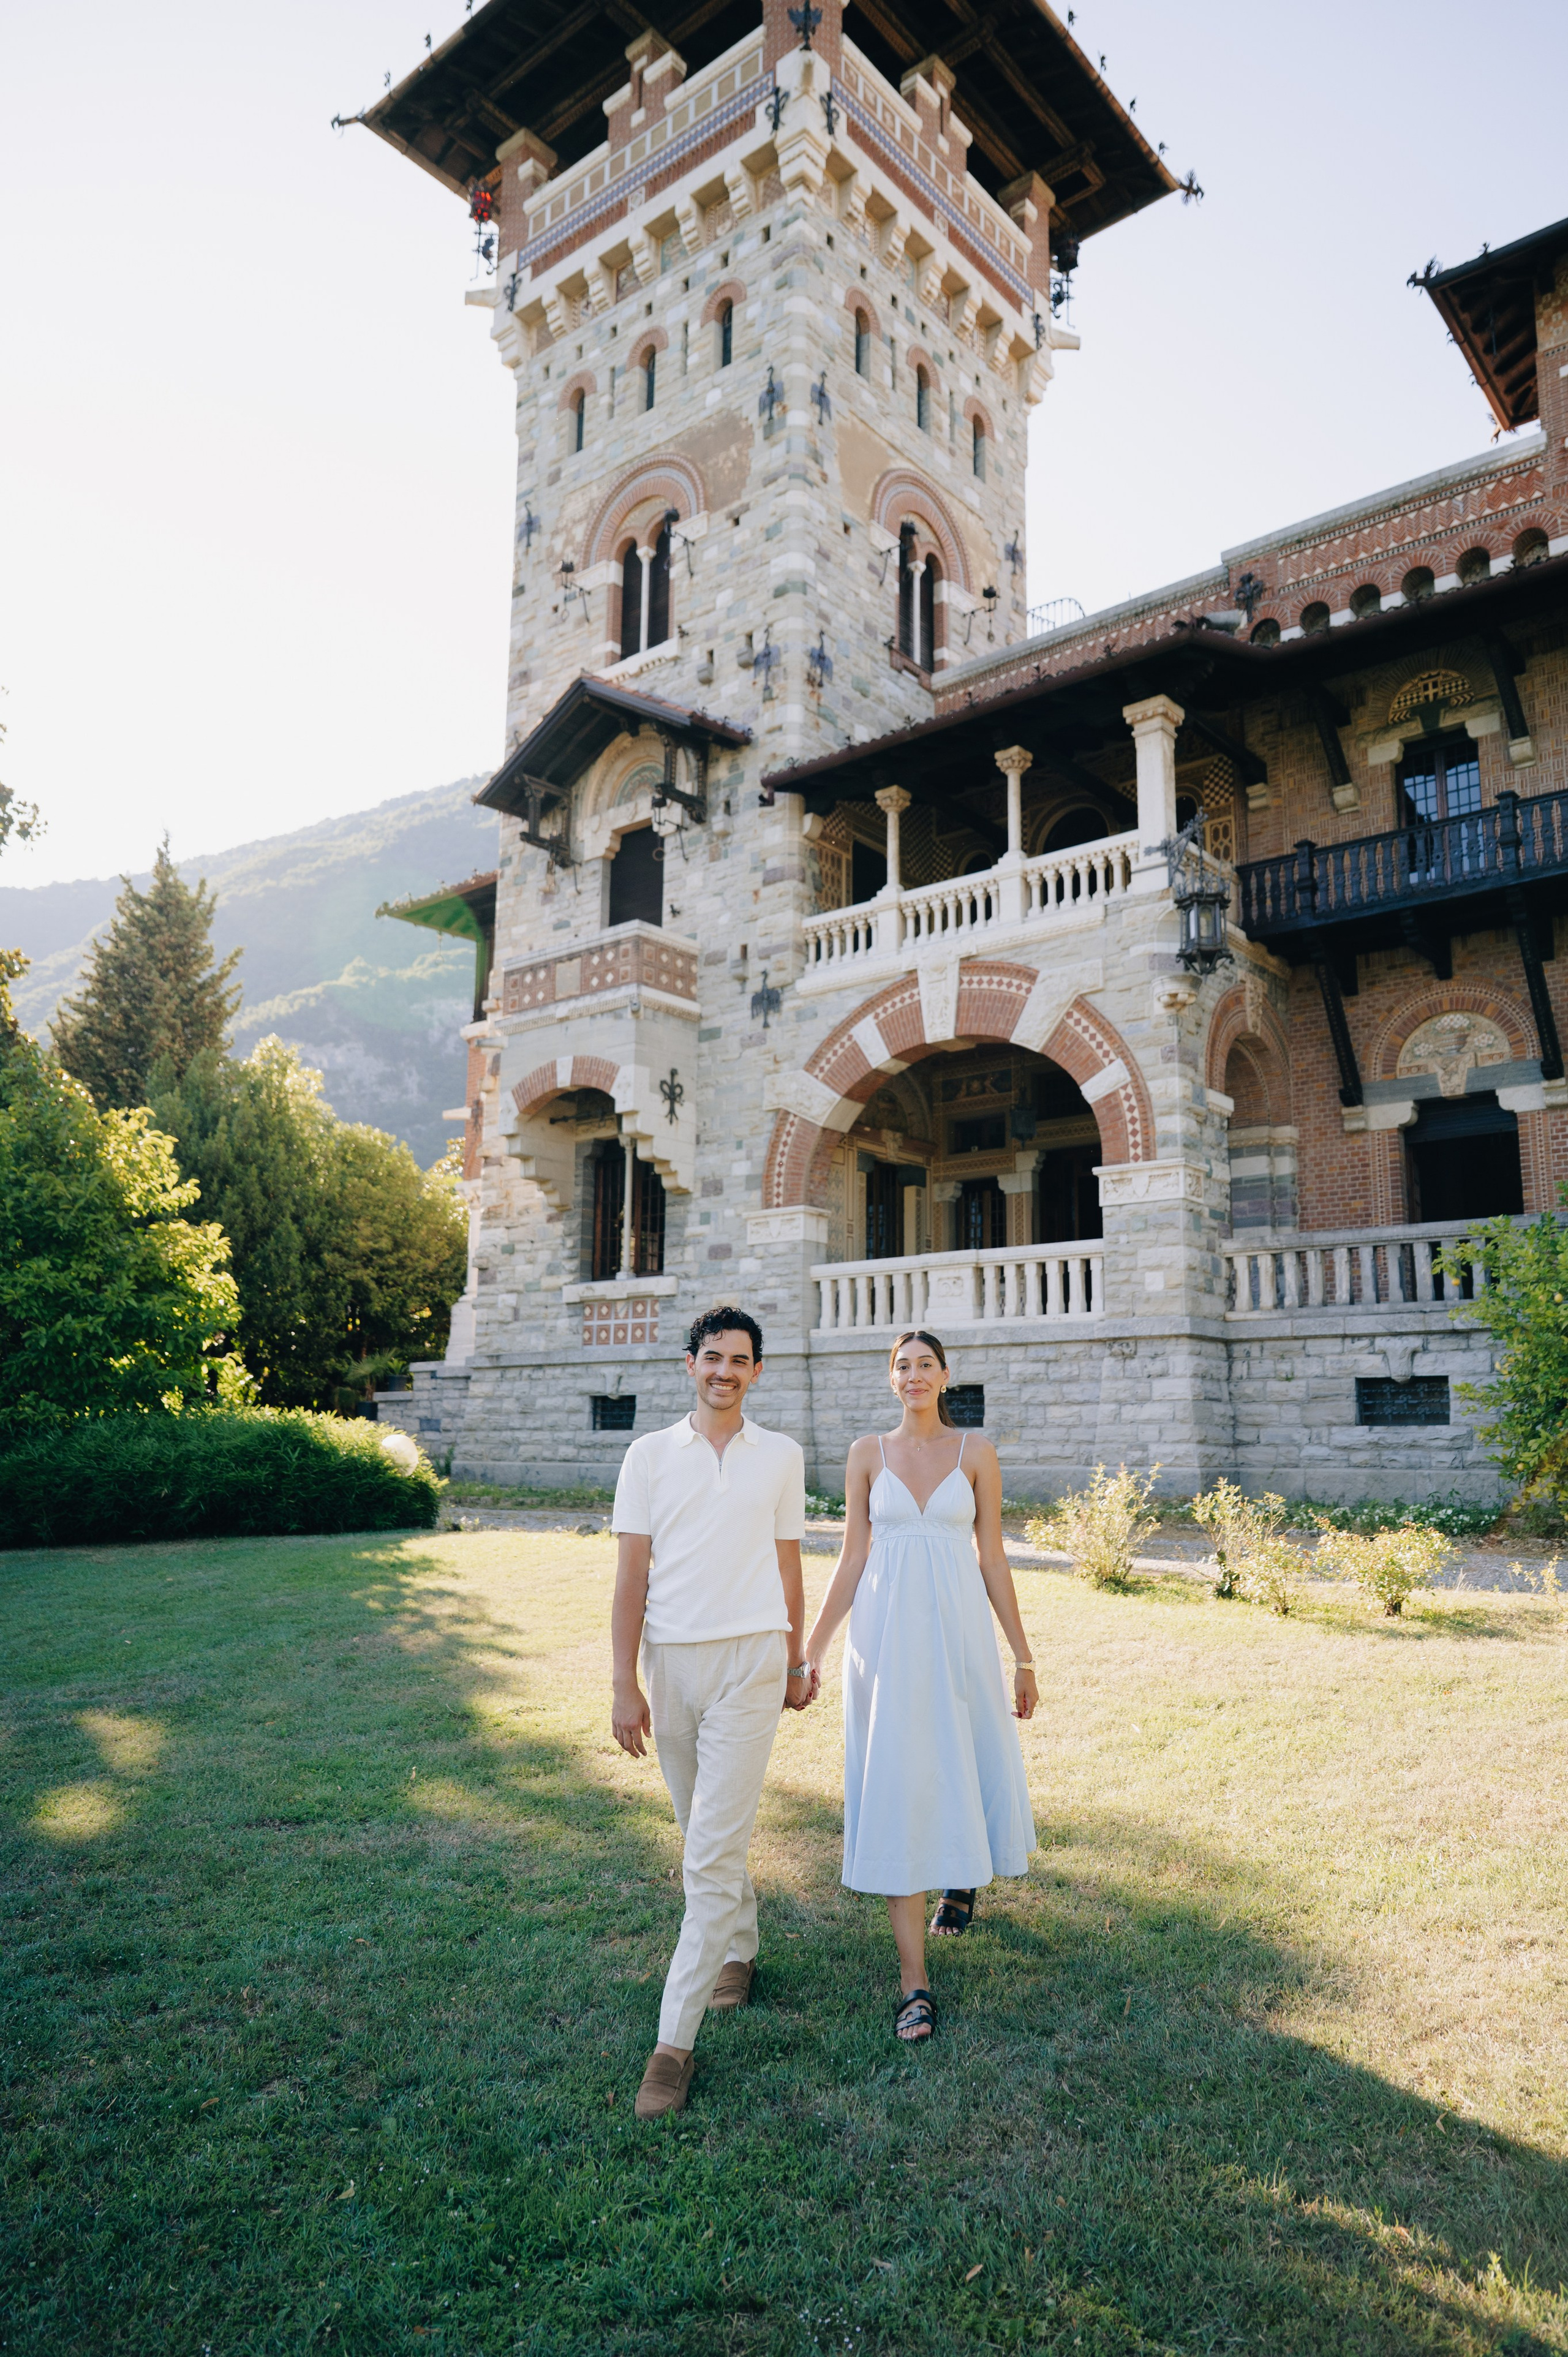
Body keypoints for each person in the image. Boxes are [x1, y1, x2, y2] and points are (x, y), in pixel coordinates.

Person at [803, 1328, 1037, 2043]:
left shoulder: (977, 1454)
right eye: (902, 1365)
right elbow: (850, 1557)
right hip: (885, 1638)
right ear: (890, 1377)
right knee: (899, 1780)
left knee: (960, 1756)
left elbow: (993, 1558)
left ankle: (960, 1876)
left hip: (959, 1634)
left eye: (925, 1365)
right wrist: (809, 1649)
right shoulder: (866, 1454)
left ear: (945, 1376)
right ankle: (914, 1982)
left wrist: (1023, 1656)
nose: (913, 1375)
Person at [610, 1307, 815, 2119]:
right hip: (673, 1663)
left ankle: (672, 2047)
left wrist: (797, 1658)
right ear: (689, 1366)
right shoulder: (648, 1456)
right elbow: (631, 1579)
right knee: (704, 1826)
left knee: (708, 1857)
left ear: (757, 1372)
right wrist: (626, 1685)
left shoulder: (782, 1457)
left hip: (754, 1662)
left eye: (740, 1360)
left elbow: (789, 1566)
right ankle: (741, 1945)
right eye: (712, 1358)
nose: (725, 1371)